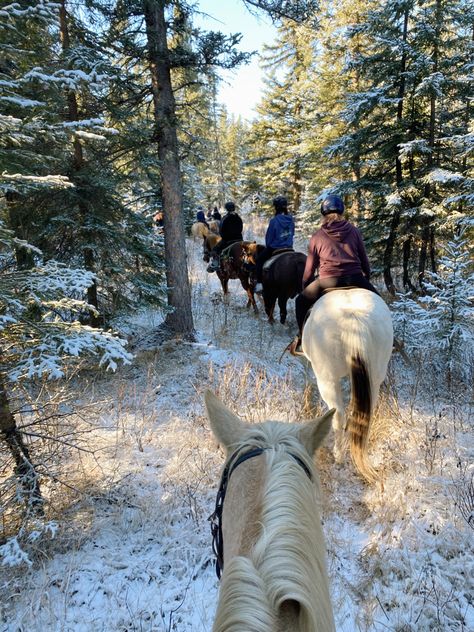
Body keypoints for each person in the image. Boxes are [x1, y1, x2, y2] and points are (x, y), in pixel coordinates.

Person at [290, 194, 379, 353]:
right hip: (355, 278)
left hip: (328, 281)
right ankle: (390, 341)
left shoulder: (317, 236)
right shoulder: (354, 231)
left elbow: (310, 269)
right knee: (379, 302)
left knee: (300, 302)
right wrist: (366, 275)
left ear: (323, 213)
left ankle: (303, 339)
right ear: (342, 212)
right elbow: (364, 258)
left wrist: (306, 285)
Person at [254, 195, 295, 294]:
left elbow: (269, 238)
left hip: (275, 248)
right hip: (289, 248)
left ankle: (259, 284)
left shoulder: (274, 221)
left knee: (259, 260)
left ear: (276, 207)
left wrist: (270, 245)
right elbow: (292, 233)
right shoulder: (291, 220)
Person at [207, 201, 243, 272]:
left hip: (227, 240)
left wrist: (223, 236)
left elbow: (221, 230)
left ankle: (215, 265)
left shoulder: (225, 218)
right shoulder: (238, 217)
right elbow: (241, 228)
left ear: (227, 209)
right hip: (239, 239)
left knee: (215, 249)